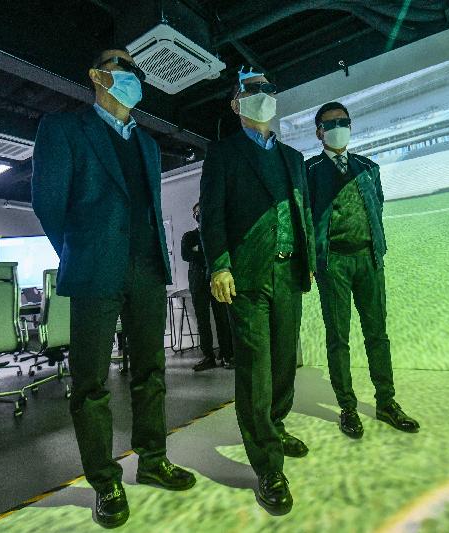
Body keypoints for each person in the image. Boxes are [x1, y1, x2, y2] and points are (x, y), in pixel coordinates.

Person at [31, 47, 195, 529]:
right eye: (119, 65)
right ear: (96, 74)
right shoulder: (64, 129)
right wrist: (81, 251)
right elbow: (47, 203)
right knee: (91, 383)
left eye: (133, 69)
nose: (130, 73)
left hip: (146, 269)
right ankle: (105, 480)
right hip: (94, 271)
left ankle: (152, 458)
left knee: (152, 371)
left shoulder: (145, 143)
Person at [199, 67, 315, 515]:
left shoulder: (293, 158)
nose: (262, 94)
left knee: (286, 359)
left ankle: (276, 423)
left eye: (268, 87)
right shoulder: (223, 154)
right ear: (236, 104)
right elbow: (212, 215)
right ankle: (267, 464)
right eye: (251, 90)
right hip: (246, 276)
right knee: (255, 369)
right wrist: (219, 265)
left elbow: (302, 212)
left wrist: (310, 264)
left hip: (289, 273)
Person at [305, 102, 420, 440]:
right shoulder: (309, 170)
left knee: (377, 334)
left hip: (368, 260)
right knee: (338, 338)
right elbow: (306, 220)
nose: (338, 127)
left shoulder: (369, 167)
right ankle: (348, 407)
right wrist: (312, 262)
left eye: (343, 122)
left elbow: (377, 207)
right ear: (318, 132)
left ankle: (386, 401)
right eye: (330, 123)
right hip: (333, 264)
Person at [181, 202, 234, 371]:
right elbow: (186, 254)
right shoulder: (189, 236)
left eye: (201, 211)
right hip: (198, 281)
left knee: (222, 318)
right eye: (196, 212)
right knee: (202, 320)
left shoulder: (215, 235)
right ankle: (208, 356)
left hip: (214, 279)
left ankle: (227, 355)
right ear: (193, 215)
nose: (199, 214)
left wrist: (199, 251)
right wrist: (204, 252)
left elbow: (212, 253)